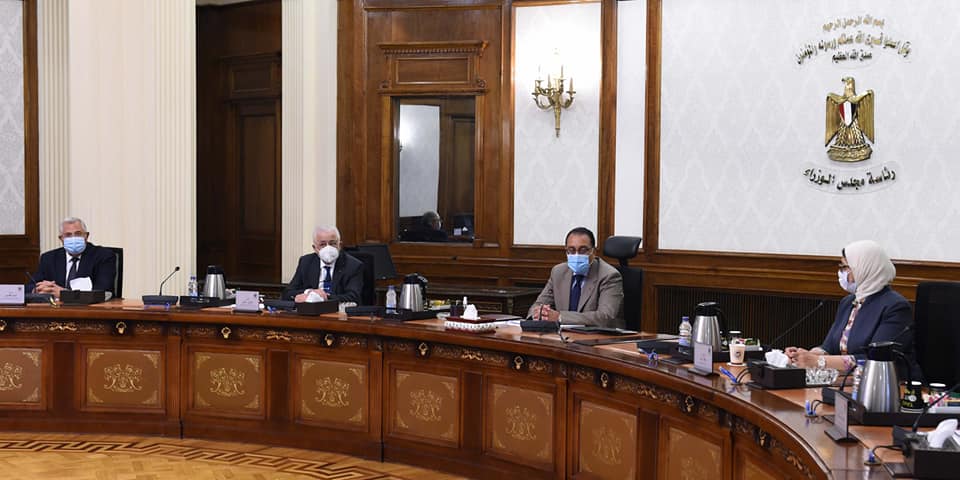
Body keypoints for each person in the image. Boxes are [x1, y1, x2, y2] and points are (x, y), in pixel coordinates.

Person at [785, 240, 922, 379]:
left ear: (865, 269)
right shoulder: (849, 302)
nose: (842, 273)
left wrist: (819, 361)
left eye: (845, 267)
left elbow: (876, 359)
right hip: (847, 381)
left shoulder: (895, 306)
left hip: (886, 384)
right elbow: (829, 347)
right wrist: (802, 356)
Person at [527, 227, 624, 328]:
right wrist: (538, 314)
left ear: (593, 251)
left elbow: (605, 317)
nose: (577, 255)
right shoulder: (558, 272)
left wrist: (560, 317)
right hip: (564, 334)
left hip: (599, 335)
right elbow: (539, 304)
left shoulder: (609, 275)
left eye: (583, 250)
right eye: (571, 250)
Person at [28, 217, 117, 299]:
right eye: (68, 235)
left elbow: (103, 291)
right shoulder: (49, 258)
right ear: (61, 238)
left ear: (86, 236)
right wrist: (38, 290)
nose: (73, 238)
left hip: (90, 309)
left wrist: (64, 294)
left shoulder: (103, 256)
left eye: (78, 234)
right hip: (55, 309)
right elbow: (30, 286)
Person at [283, 225, 364, 304]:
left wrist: (323, 297)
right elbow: (288, 293)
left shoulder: (353, 265)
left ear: (339, 245)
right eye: (322, 244)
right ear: (315, 248)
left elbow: (353, 297)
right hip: (310, 310)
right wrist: (309, 292)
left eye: (332, 243)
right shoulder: (306, 262)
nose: (328, 248)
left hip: (337, 309)